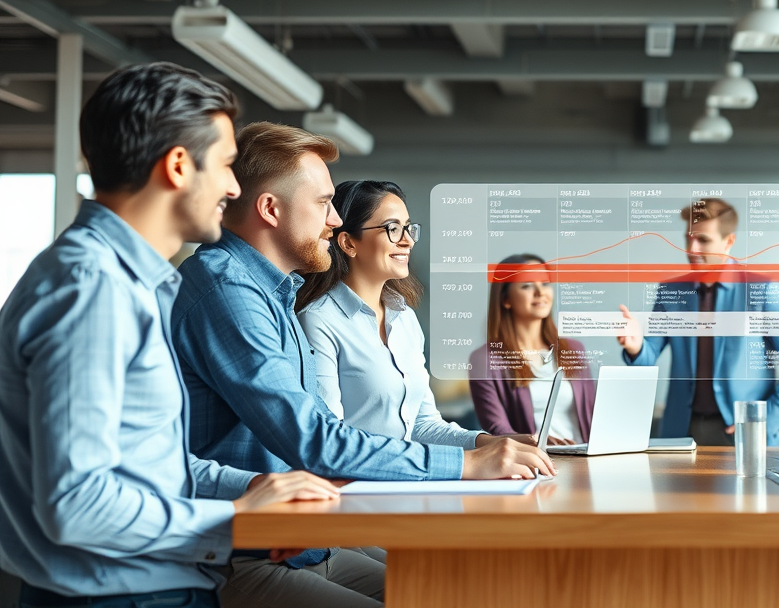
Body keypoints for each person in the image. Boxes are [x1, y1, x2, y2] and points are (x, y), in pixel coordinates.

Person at [172, 122, 553, 608]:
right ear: (270, 209)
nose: (334, 220)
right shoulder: (228, 290)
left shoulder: (276, 294)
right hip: (241, 554)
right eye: (323, 203)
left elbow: (335, 433)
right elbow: (316, 441)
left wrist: (479, 449)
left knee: (454, 592)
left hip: (302, 543)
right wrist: (467, 463)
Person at [0, 63, 336, 607]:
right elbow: (79, 503)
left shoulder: (132, 282)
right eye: (226, 165)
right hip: (121, 596)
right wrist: (233, 522)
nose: (232, 188)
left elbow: (143, 461)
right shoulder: (94, 288)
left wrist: (251, 493)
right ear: (179, 166)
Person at [296, 180, 489, 448]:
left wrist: (488, 443)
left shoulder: (404, 317)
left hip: (404, 481)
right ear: (349, 243)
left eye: (408, 228)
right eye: (393, 228)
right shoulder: (318, 321)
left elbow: (422, 425)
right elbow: (331, 439)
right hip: (355, 484)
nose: (408, 240)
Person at [618, 198, 779, 446]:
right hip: (681, 431)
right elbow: (648, 357)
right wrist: (636, 347)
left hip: (744, 436)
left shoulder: (761, 289)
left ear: (729, 241)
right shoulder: (670, 290)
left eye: (703, 240)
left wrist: (767, 420)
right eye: (688, 238)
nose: (692, 249)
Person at [468, 255, 596, 444]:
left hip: (582, 459)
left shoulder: (573, 349)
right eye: (527, 285)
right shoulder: (483, 360)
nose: (540, 292)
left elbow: (592, 414)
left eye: (545, 284)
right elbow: (496, 429)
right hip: (531, 464)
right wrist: (534, 442)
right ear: (506, 299)